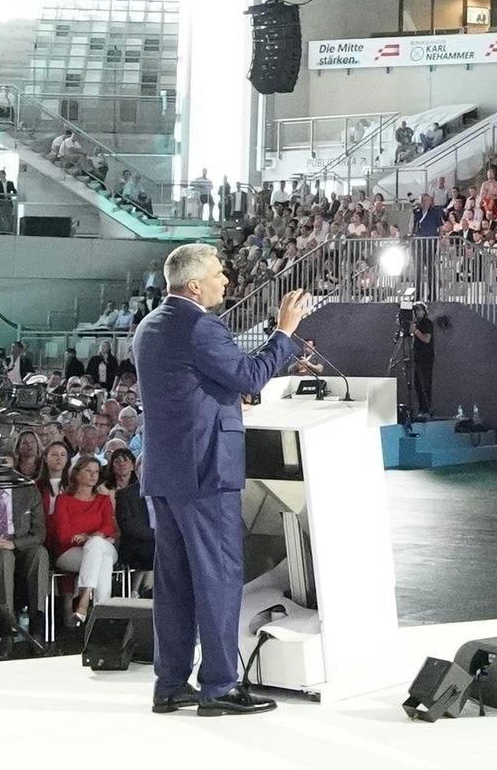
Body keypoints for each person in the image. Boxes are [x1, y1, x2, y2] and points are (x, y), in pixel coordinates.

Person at [135, 240, 316, 718]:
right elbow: (251, 376)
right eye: (218, 273)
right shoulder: (200, 326)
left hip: (167, 473)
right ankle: (218, 686)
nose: (226, 280)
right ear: (194, 285)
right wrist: (284, 331)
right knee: (217, 577)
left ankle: (170, 684)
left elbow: (189, 388)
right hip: (206, 470)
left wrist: (224, 395)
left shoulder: (151, 326)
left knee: (174, 583)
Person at [49, 456, 118, 631]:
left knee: (96, 545)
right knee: (103, 559)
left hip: (102, 547)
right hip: (70, 552)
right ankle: (101, 616)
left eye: (96, 472)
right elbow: (64, 535)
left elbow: (109, 528)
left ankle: (83, 599)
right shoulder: (63, 500)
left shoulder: (102, 500)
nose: (94, 475)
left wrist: (88, 537)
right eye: (88, 471)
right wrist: (96, 537)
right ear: (77, 473)